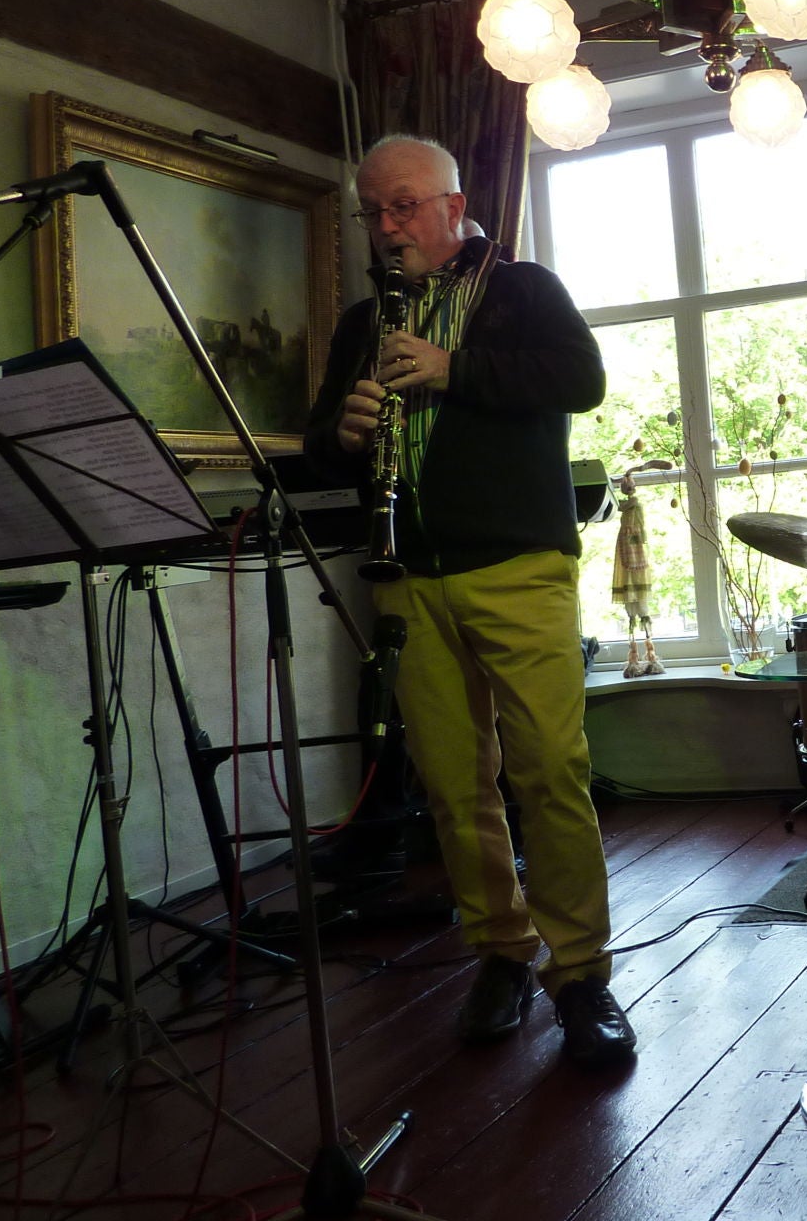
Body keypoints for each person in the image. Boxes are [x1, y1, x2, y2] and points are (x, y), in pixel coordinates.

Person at [304, 135, 635, 1068]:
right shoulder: (362, 323)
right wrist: (342, 434)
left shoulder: (522, 290)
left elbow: (581, 381)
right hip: (407, 578)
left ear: (453, 207)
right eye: (374, 211)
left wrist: (455, 370)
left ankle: (581, 974)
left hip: (517, 565)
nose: (388, 226)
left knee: (550, 770)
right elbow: (321, 448)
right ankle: (500, 950)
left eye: (405, 206)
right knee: (454, 785)